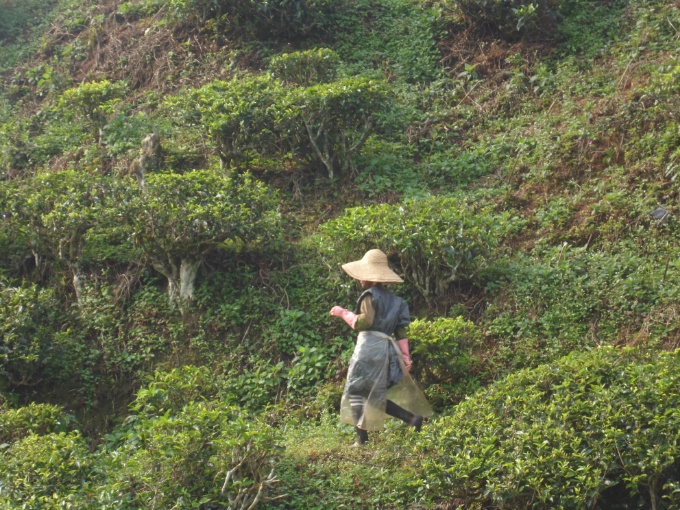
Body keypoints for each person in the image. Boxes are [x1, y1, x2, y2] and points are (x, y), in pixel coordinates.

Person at [330, 249, 432, 446]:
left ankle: (362, 440)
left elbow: (363, 323)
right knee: (374, 393)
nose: (360, 280)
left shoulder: (369, 296)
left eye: (363, 276)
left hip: (368, 348)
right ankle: (411, 419)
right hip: (386, 350)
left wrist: (342, 313)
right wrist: (405, 356)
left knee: (356, 391)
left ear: (371, 277)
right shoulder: (398, 302)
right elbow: (401, 331)